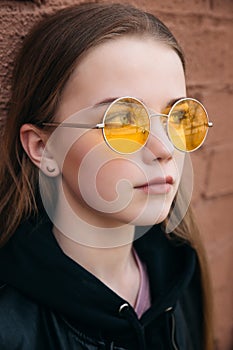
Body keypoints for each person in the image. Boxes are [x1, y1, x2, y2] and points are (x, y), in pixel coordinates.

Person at [0, 2, 214, 349]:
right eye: (122, 121)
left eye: (176, 116)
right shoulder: (10, 326)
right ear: (43, 147)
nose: (164, 148)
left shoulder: (181, 274)